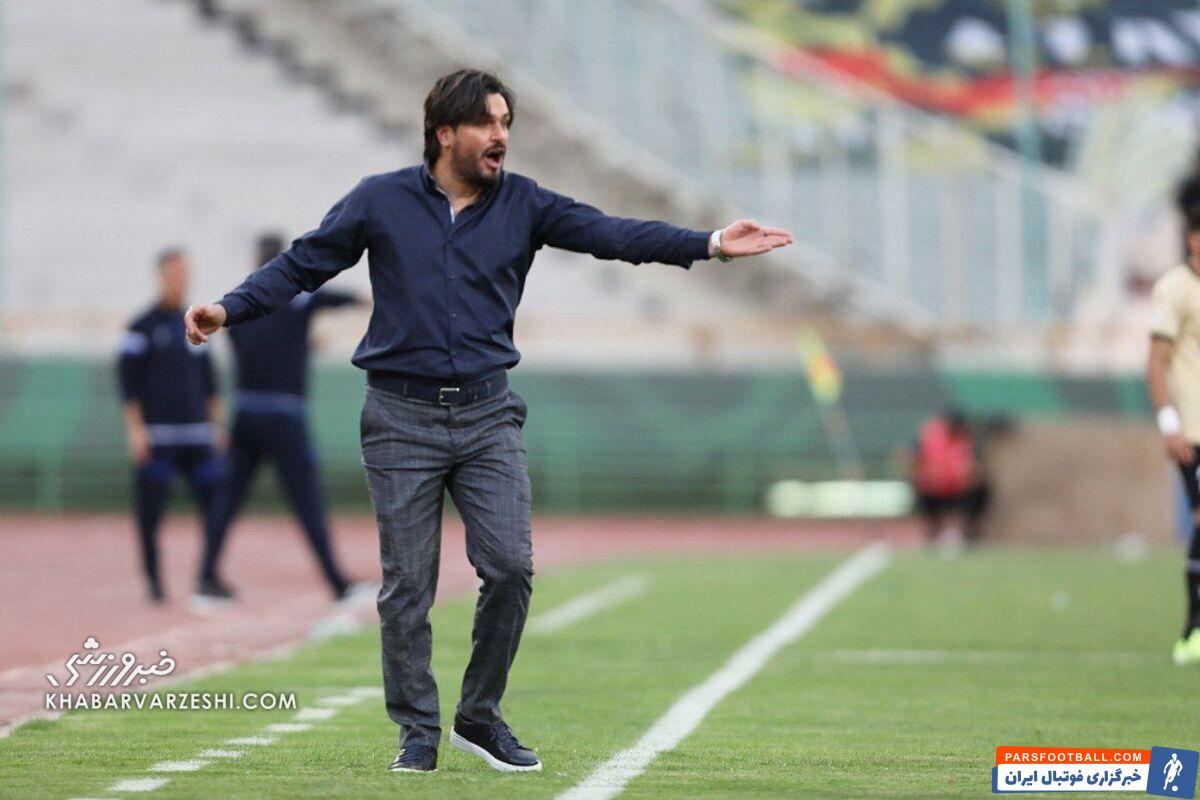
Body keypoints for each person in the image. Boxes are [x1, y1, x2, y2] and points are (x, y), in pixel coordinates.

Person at [183, 69, 792, 774]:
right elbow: (301, 266)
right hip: (399, 417)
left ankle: (478, 714)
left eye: (506, 122)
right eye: (487, 123)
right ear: (445, 133)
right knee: (408, 588)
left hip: (487, 415)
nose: (501, 134)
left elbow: (612, 234)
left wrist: (710, 242)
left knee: (510, 568)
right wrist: (228, 308)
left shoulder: (526, 203)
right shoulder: (380, 200)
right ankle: (417, 731)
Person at [197, 233, 372, 605]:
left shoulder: (239, 304)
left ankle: (206, 577)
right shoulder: (296, 297)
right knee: (307, 502)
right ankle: (338, 585)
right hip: (283, 414)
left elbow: (250, 343)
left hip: (246, 411)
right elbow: (335, 297)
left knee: (227, 499)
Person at [118, 248, 227, 603]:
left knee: (217, 505)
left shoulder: (196, 324)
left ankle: (207, 575)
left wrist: (218, 424)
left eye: (185, 273)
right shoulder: (141, 326)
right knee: (150, 513)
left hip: (197, 436)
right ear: (162, 275)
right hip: (158, 438)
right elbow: (129, 384)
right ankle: (154, 582)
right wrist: (136, 430)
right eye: (176, 273)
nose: (181, 279)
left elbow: (209, 383)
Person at [1147, 209, 1200, 666]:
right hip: (1194, 431)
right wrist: (1170, 425)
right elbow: (1156, 363)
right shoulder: (1175, 289)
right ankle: (1193, 629)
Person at [910, 409, 990, 548]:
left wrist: (969, 476)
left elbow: (978, 467)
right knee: (922, 494)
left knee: (982, 490)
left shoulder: (967, 440)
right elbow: (910, 458)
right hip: (932, 489)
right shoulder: (930, 438)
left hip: (960, 488)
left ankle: (968, 531)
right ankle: (933, 533)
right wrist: (925, 475)